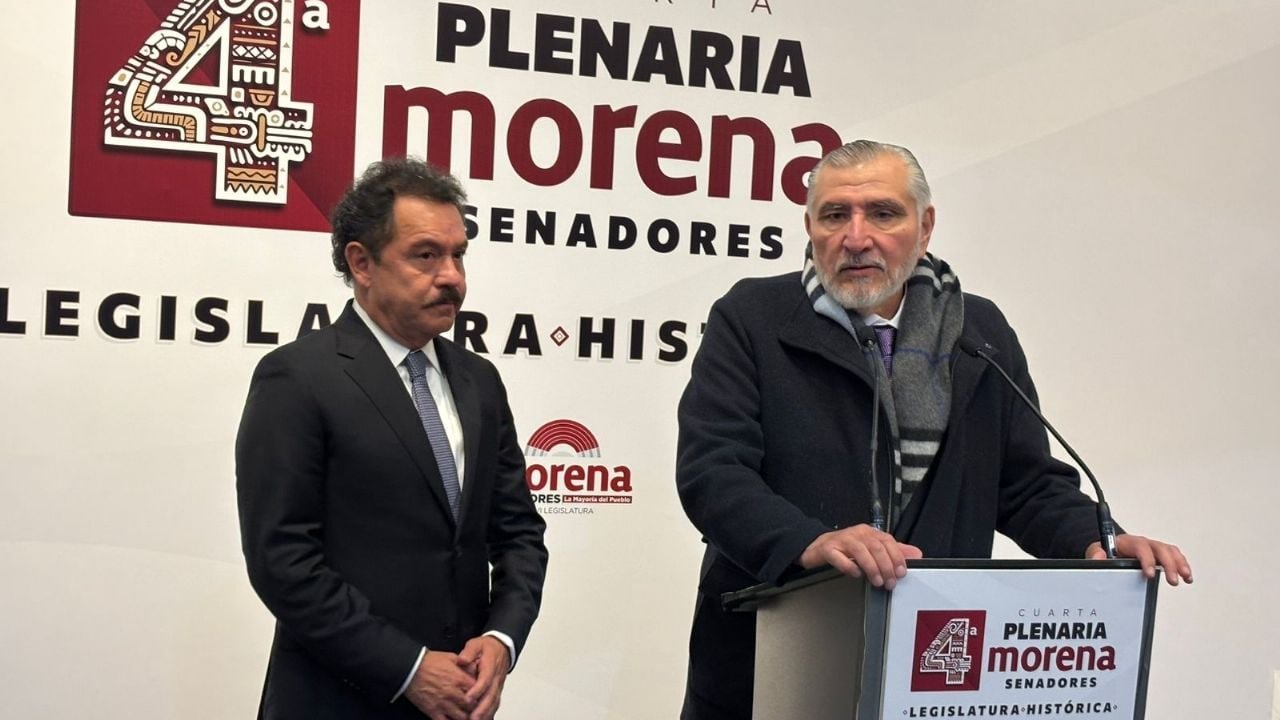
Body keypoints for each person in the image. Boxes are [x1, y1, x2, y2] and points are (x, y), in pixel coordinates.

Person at [674, 140, 1192, 720]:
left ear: (925, 228)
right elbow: (713, 472)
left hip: (934, 668)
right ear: (810, 227)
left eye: (883, 214)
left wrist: (1097, 540)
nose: (856, 237)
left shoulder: (978, 331)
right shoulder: (753, 317)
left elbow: (1025, 485)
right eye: (835, 215)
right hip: (774, 657)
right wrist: (806, 543)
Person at [236, 157, 548, 720]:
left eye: (458, 254)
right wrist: (406, 667)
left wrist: (502, 637)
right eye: (426, 255)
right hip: (335, 701)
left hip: (462, 702)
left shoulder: (479, 381)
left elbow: (518, 531)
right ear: (362, 263)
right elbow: (282, 560)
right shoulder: (298, 378)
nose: (452, 276)